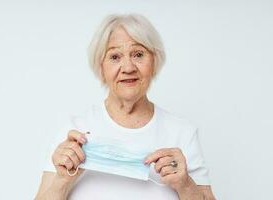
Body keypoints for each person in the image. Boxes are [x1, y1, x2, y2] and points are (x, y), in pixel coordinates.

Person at [35, 13, 216, 200]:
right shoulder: (74, 131)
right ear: (101, 67)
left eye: (138, 54)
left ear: (154, 62)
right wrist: (63, 180)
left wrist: (185, 185)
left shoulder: (182, 132)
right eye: (115, 56)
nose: (128, 67)